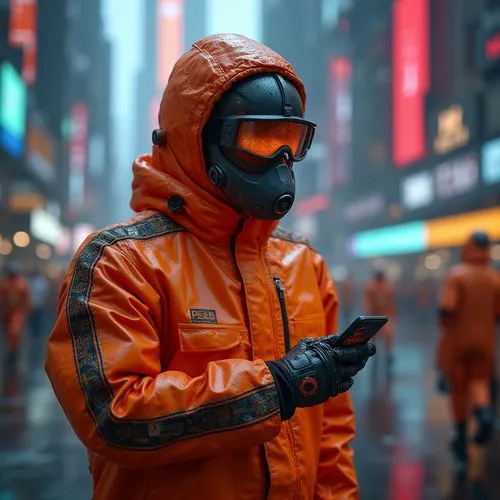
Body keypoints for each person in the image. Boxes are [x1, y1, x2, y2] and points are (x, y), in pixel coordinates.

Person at [45, 33, 376, 499]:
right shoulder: (120, 262)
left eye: (290, 140)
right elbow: (115, 417)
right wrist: (276, 386)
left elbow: (332, 432)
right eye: (260, 138)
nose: (281, 161)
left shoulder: (304, 263)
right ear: (198, 140)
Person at [437, 231, 500, 467]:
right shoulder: (495, 277)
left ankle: (461, 437)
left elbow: (446, 309)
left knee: (459, 390)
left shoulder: (457, 275)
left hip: (458, 344)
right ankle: (484, 413)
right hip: (485, 342)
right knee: (480, 382)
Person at [0, 261, 32, 369]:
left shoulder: (22, 284)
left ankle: (13, 354)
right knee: (9, 334)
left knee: (14, 332)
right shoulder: (5, 283)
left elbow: (27, 300)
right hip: (7, 313)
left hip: (17, 312)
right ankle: (12, 353)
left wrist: (25, 311)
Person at [364, 269, 396, 370]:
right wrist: (369, 313)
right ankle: (373, 354)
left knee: (388, 335)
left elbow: (392, 302)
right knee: (374, 335)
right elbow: (368, 302)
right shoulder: (371, 288)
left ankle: (388, 355)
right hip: (375, 315)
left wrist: (392, 314)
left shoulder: (388, 288)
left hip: (385, 315)